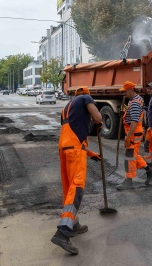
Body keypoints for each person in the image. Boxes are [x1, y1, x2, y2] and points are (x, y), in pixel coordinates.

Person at [51, 86, 103, 255]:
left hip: (64, 149)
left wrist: (90, 153)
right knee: (77, 189)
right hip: (74, 151)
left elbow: (73, 134)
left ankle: (74, 224)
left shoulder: (66, 108)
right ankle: (63, 231)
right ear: (86, 95)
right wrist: (99, 122)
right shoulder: (86, 99)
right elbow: (97, 116)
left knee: (68, 189)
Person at [116, 81, 152, 191]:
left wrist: (128, 137)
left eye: (125, 91)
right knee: (133, 154)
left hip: (133, 133)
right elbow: (132, 116)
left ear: (130, 90)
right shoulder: (136, 99)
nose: (124, 93)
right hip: (135, 132)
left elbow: (134, 121)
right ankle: (149, 171)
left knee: (129, 157)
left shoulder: (134, 102)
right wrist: (124, 113)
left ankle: (129, 181)